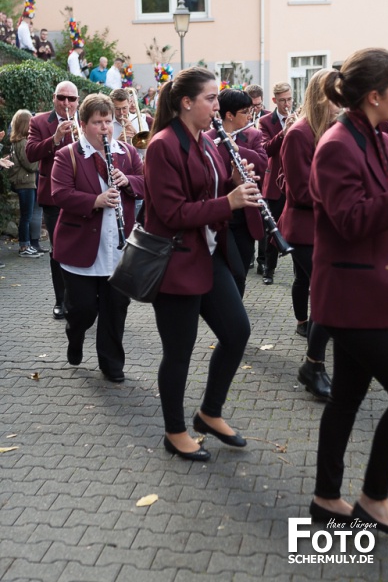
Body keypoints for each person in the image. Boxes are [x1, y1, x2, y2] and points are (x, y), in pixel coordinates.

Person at [144, 66, 261, 461]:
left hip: (208, 255)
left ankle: (209, 412)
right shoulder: (163, 145)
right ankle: (174, 430)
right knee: (179, 350)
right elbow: (172, 212)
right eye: (211, 98)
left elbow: (211, 188)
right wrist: (228, 202)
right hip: (176, 263)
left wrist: (237, 183)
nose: (217, 105)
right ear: (186, 102)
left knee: (237, 332)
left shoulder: (208, 142)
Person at [307, 48, 388, 536]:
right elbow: (350, 219)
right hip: (351, 298)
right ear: (373, 95)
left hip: (374, 292)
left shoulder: (381, 138)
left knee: (345, 400)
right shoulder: (338, 144)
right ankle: (373, 496)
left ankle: (326, 497)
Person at [51, 94, 144, 383]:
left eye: (107, 121)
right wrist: (96, 200)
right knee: (82, 309)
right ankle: (75, 334)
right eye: (97, 122)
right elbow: (60, 193)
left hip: (117, 248)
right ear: (83, 124)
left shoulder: (126, 153)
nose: (105, 128)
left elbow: (146, 183)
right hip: (81, 247)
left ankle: (111, 363)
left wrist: (128, 181)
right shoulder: (68, 155)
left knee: (115, 309)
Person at [279, 69, 340, 400]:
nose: (340, 105)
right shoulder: (298, 133)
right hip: (303, 231)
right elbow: (299, 192)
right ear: (321, 98)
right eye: (335, 98)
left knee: (330, 298)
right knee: (326, 298)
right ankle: (313, 366)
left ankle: (317, 363)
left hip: (323, 229)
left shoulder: (329, 130)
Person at [26, 81, 80, 319]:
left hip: (85, 194)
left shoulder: (85, 119)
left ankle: (83, 299)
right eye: (62, 98)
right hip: (54, 196)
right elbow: (31, 153)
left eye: (71, 99)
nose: (66, 103)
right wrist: (56, 137)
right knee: (58, 250)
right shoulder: (39, 122)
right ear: (53, 98)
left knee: (83, 247)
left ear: (78, 101)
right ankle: (62, 301)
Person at [206, 88, 266, 296]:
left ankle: (235, 307)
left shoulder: (253, 135)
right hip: (220, 215)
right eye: (245, 111)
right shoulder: (207, 139)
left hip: (246, 215)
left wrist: (239, 149)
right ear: (229, 115)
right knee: (235, 271)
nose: (250, 116)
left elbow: (263, 165)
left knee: (241, 271)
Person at [258, 83, 294, 284]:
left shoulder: (299, 118)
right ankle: (268, 270)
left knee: (296, 227)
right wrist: (284, 132)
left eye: (289, 99)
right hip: (273, 184)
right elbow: (266, 150)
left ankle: (300, 274)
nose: (287, 103)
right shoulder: (265, 122)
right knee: (271, 228)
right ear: (274, 101)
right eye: (282, 100)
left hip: (293, 182)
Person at [8, 109, 40, 258]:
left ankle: (26, 244)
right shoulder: (23, 142)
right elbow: (30, 165)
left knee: (26, 215)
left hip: (24, 182)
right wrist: (40, 157)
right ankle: (24, 246)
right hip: (25, 183)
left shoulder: (17, 141)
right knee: (26, 216)